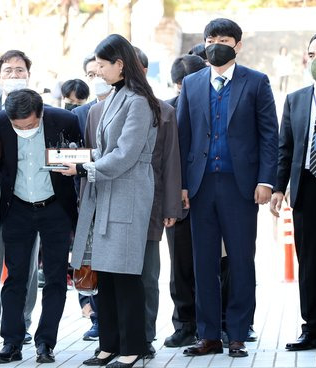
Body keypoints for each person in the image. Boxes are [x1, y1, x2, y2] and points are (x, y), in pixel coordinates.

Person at [178, 18, 278, 358]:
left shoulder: (257, 81)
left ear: (238, 44)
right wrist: (181, 185)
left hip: (241, 187)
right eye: (211, 38)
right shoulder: (191, 84)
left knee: (240, 260)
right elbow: (183, 137)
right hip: (201, 185)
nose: (216, 43)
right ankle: (208, 335)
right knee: (203, 261)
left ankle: (237, 332)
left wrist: (266, 181)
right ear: (203, 43)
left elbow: (269, 136)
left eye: (224, 38)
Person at [65, 34, 160, 368]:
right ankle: (109, 344)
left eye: (103, 66)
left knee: (126, 275)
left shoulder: (138, 100)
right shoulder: (118, 95)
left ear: (120, 65)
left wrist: (84, 168)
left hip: (127, 195)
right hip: (106, 193)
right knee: (105, 273)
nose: (99, 72)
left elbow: (125, 154)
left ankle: (132, 347)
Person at [0, 89, 81, 364]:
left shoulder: (64, 120)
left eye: (29, 125)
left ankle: (46, 343)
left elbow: (79, 157)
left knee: (55, 278)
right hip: (17, 207)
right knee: (15, 277)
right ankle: (11, 342)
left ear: (41, 114)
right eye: (18, 126)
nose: (23, 130)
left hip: (55, 207)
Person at [0, 50, 38, 346]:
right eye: (8, 71)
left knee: (26, 264)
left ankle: (22, 322)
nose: (14, 76)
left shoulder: (41, 110)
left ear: (29, 74)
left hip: (33, 196)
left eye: (20, 70)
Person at [131, 47, 182, 359]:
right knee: (117, 277)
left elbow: (171, 162)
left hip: (150, 205)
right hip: (113, 206)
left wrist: (171, 207)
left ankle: (146, 336)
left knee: (148, 275)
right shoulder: (101, 111)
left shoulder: (164, 111)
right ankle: (119, 335)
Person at [270, 33, 316, 352]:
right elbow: (284, 147)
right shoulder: (297, 99)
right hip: (307, 188)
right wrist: (277, 188)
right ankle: (312, 328)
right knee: (310, 262)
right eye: (313, 54)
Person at [163, 54, 207, 348]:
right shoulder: (166, 111)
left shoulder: (215, 104)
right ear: (180, 85)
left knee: (215, 263)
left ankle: (218, 323)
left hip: (209, 196)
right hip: (177, 201)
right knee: (179, 266)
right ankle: (184, 323)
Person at [72, 55, 113, 136]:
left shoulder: (126, 105)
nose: (97, 78)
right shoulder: (79, 113)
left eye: (100, 73)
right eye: (91, 75)